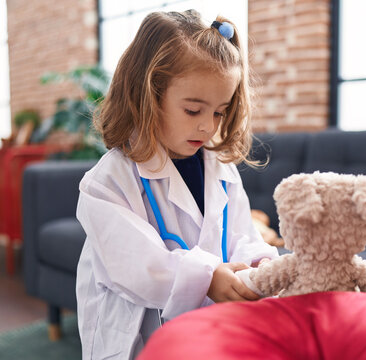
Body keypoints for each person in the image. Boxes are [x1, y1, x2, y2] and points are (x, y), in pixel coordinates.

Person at [75, 10, 278, 359]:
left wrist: (259, 267)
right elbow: (136, 265)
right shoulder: (107, 182)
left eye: (219, 112)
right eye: (193, 110)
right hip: (135, 337)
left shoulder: (222, 172)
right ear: (148, 95)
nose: (208, 127)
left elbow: (244, 235)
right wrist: (207, 278)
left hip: (203, 335)